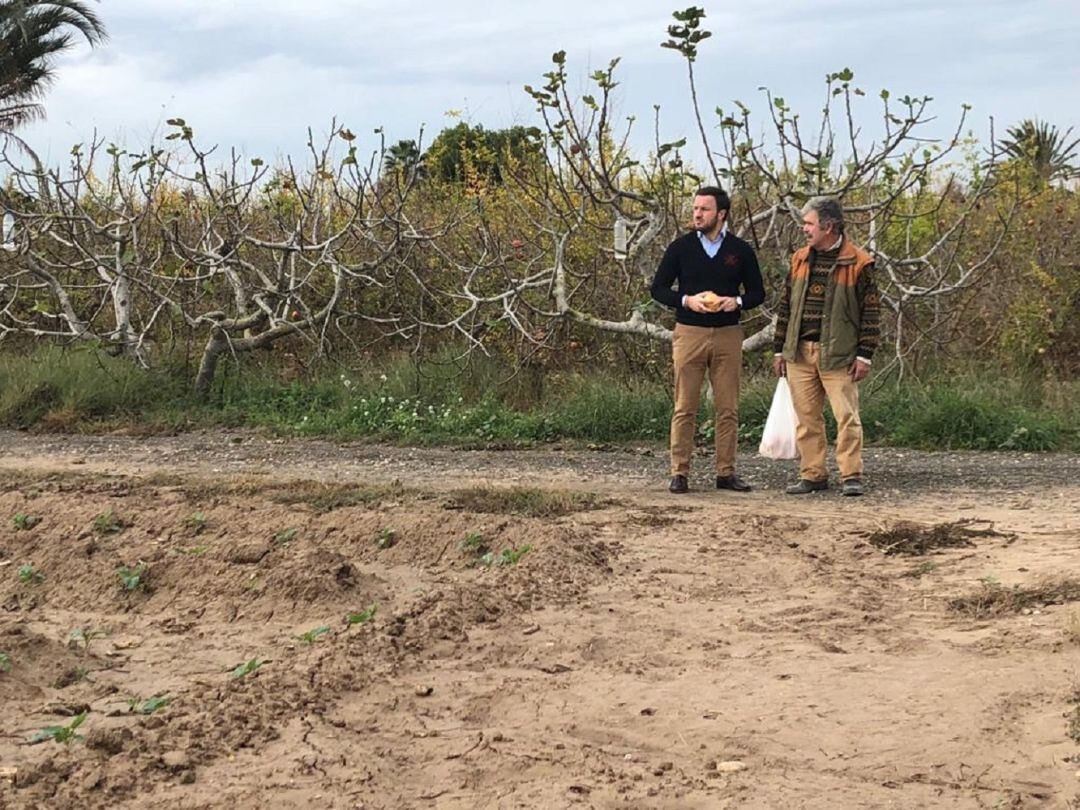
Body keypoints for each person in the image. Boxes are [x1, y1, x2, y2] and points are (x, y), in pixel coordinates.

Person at [651, 186, 765, 494]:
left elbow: (758, 293)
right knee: (685, 405)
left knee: (727, 407)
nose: (697, 214)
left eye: (704, 209)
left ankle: (726, 472)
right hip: (689, 332)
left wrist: (736, 302)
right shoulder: (681, 248)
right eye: (695, 209)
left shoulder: (740, 251)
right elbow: (658, 288)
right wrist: (687, 300)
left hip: (728, 334)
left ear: (721, 214)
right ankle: (679, 472)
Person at [772, 196, 881, 497]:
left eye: (809, 223)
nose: (804, 229)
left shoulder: (859, 263)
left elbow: (871, 311)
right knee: (806, 418)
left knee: (846, 417)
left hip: (840, 356)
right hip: (800, 352)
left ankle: (851, 475)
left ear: (828, 226)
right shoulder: (799, 259)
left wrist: (865, 354)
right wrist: (780, 349)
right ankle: (813, 474)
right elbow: (786, 306)